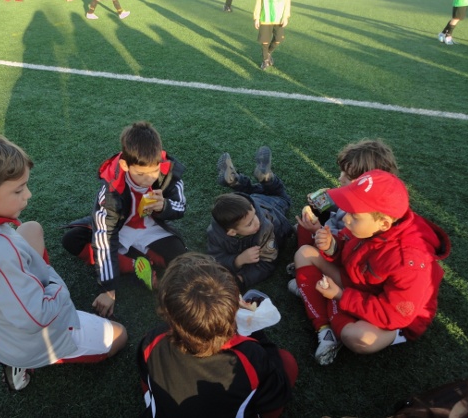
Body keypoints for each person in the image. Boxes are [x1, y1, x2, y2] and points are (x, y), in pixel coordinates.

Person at [0, 133, 127, 391]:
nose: (28, 194)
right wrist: (55, 284)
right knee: (120, 335)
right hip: (32, 342)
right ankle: (25, 362)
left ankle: (13, 355)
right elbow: (37, 317)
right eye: (18, 190)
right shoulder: (1, 253)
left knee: (31, 229)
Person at [292, 169, 450, 366]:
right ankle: (325, 330)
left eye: (354, 215)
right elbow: (347, 248)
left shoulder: (409, 261)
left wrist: (340, 295)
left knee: (359, 337)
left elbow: (392, 313)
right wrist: (332, 246)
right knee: (305, 253)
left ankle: (318, 298)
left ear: (383, 223)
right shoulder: (369, 225)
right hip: (358, 284)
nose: (346, 219)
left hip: (394, 315)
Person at [137, 252, 298, 418]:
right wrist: (254, 328)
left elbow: (145, 373)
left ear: (168, 312)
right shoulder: (250, 355)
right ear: (233, 310)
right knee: (287, 362)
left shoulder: (153, 339)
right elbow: (276, 394)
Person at [61, 122, 187, 318]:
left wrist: (165, 206)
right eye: (141, 174)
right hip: (118, 231)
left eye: (154, 171)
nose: (149, 179)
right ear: (125, 165)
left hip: (150, 228)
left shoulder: (167, 173)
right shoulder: (111, 191)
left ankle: (142, 258)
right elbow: (105, 236)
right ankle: (135, 263)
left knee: (182, 257)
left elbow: (181, 207)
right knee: (72, 239)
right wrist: (108, 288)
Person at [292, 138, 399, 253]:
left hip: (334, 241)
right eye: (342, 172)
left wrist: (317, 230)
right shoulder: (357, 196)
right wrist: (320, 200)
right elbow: (339, 206)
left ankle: (305, 250)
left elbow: (343, 240)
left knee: (306, 246)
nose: (340, 178)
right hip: (332, 224)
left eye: (347, 177)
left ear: (367, 183)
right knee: (312, 211)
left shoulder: (363, 217)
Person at [208, 146, 293, 290]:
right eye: (249, 224)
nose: (257, 222)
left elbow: (268, 262)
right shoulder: (215, 234)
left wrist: (242, 279)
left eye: (254, 216)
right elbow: (215, 259)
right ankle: (254, 179)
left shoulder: (265, 228)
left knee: (282, 198)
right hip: (253, 200)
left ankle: (261, 179)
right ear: (231, 232)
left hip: (269, 204)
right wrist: (238, 260)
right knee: (259, 192)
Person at [253, 0, 291, 70]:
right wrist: (256, 17)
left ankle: (268, 53)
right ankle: (265, 60)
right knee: (264, 41)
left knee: (278, 39)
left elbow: (287, 0)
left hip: (279, 17)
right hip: (265, 16)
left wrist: (286, 16)